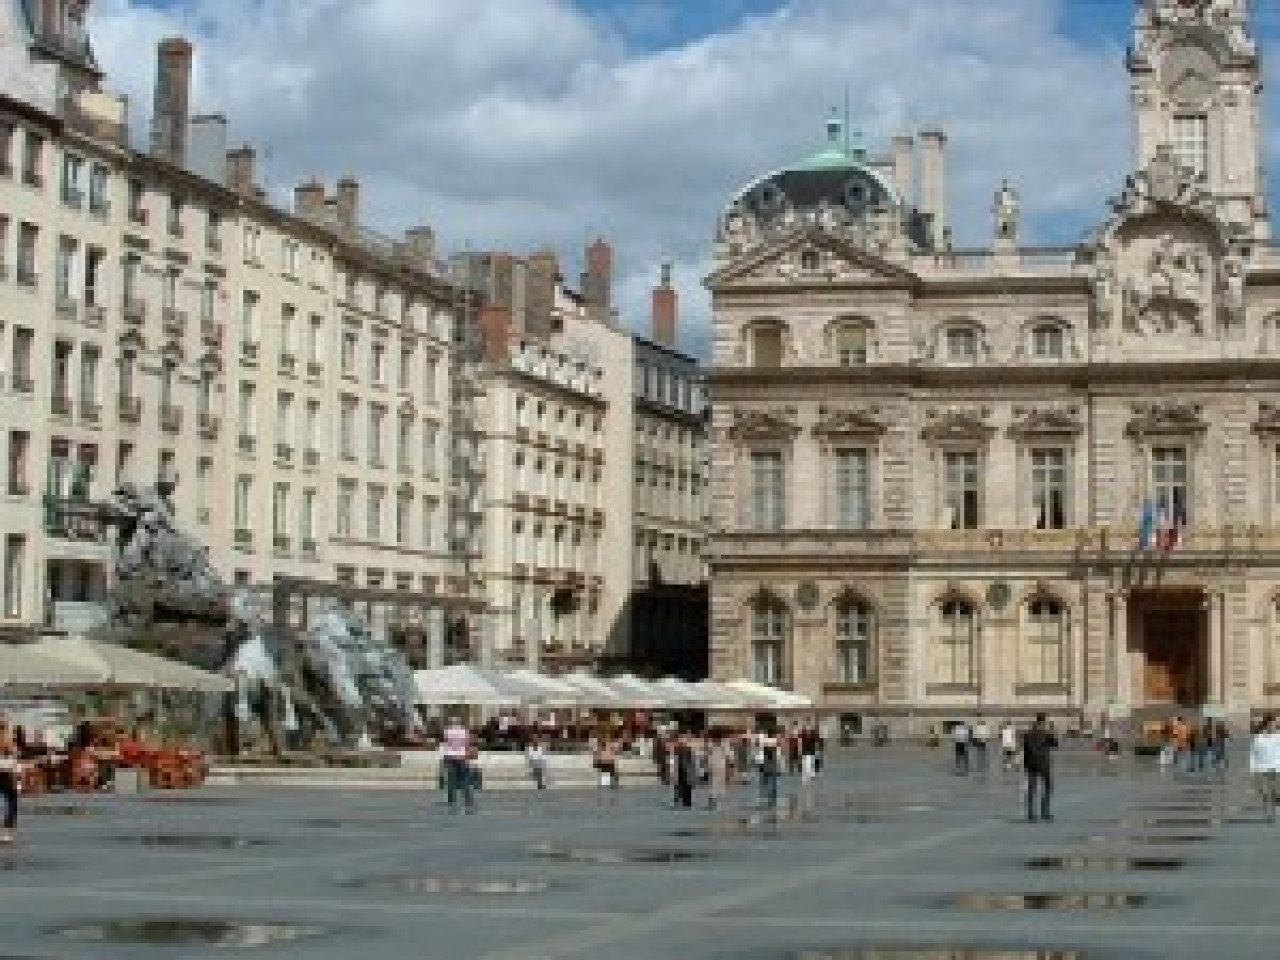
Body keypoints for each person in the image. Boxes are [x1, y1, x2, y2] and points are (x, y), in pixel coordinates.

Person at [1022, 712, 1058, 823]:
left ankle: (1031, 813)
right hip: (1043, 764)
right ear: (1044, 721)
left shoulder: (1028, 734)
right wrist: (1052, 731)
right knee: (1047, 787)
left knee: (1031, 788)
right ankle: (1045, 811)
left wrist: (1026, 764)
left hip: (1031, 764)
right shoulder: (1046, 734)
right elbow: (1055, 744)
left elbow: (1026, 749)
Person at [439, 716, 476, 814]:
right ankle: (467, 799)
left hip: (450, 756)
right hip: (461, 756)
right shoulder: (464, 732)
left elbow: (445, 744)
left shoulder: (447, 731)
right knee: (464, 779)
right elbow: (467, 744)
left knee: (451, 779)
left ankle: (452, 799)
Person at [1250, 714, 1280, 822]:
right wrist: (1252, 769)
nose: (1275, 726)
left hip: (1276, 768)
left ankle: (1276, 805)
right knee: (1263, 791)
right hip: (1262, 768)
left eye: (1276, 724)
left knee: (1275, 791)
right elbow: (1253, 753)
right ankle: (1268, 809)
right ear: (1266, 725)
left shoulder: (1278, 736)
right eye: (1272, 724)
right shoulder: (1258, 738)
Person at [0, 720, 17, 843]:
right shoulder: (6, 739)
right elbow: (13, 753)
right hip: (4, 773)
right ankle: (6, 832)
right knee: (11, 801)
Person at [757, 727, 782, 811]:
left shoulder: (765, 741)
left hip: (767, 762)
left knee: (767, 781)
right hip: (770, 763)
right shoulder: (773, 741)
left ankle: (768, 798)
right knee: (771, 782)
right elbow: (778, 753)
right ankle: (771, 799)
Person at [707, 732, 731, 811]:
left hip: (713, 765)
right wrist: (729, 767)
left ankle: (713, 800)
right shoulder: (725, 744)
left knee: (714, 783)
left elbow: (707, 755)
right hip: (720, 765)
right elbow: (728, 756)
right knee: (720, 784)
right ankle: (716, 801)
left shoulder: (710, 743)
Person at [672, 734, 696, 809]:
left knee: (685, 786)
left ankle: (684, 801)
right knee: (681, 786)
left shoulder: (686, 752)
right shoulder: (680, 752)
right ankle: (681, 800)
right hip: (682, 769)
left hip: (685, 770)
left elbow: (690, 763)